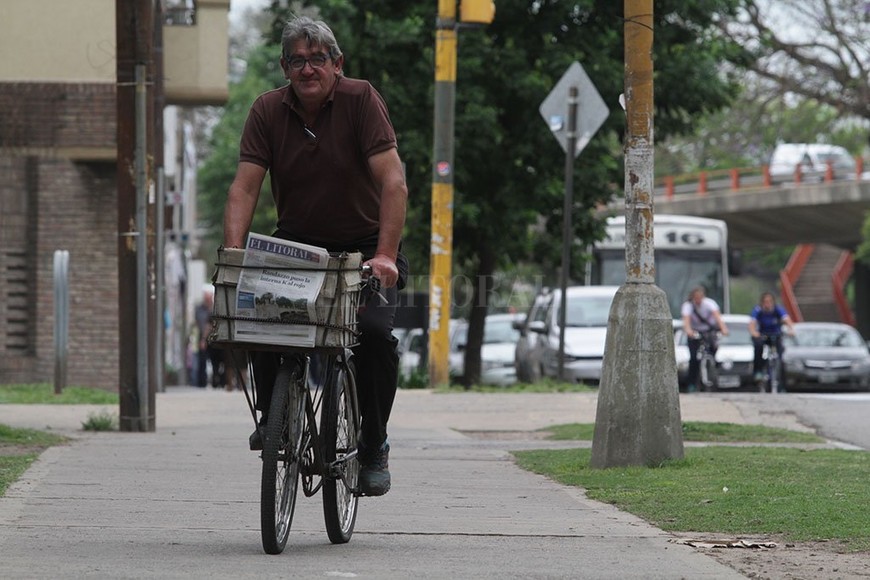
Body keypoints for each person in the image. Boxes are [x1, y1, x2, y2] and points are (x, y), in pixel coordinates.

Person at [222, 16, 408, 497]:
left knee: (372, 335)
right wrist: (235, 254)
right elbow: (244, 187)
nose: (308, 69)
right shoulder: (266, 111)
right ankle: (274, 416)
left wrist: (386, 254)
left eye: (318, 59)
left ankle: (373, 444)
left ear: (336, 63)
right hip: (298, 246)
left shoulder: (361, 100)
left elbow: (393, 181)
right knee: (262, 314)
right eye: (297, 61)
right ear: (285, 67)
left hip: (365, 248)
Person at [681, 287, 729, 393]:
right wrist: (689, 331)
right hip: (695, 332)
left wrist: (724, 329)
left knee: (713, 347)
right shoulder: (688, 306)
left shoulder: (709, 303)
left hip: (708, 331)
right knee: (694, 358)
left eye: (700, 298)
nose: (698, 300)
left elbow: (718, 318)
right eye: (696, 298)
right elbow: (686, 321)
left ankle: (713, 365)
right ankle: (692, 384)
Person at [748, 291, 794, 382]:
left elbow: (786, 319)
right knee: (758, 346)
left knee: (781, 353)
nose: (767, 304)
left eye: (769, 301)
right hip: (763, 335)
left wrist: (791, 329)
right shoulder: (758, 310)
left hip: (776, 335)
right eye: (765, 302)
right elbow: (752, 323)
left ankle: (781, 377)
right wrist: (753, 332)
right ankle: (758, 371)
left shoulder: (778, 309)